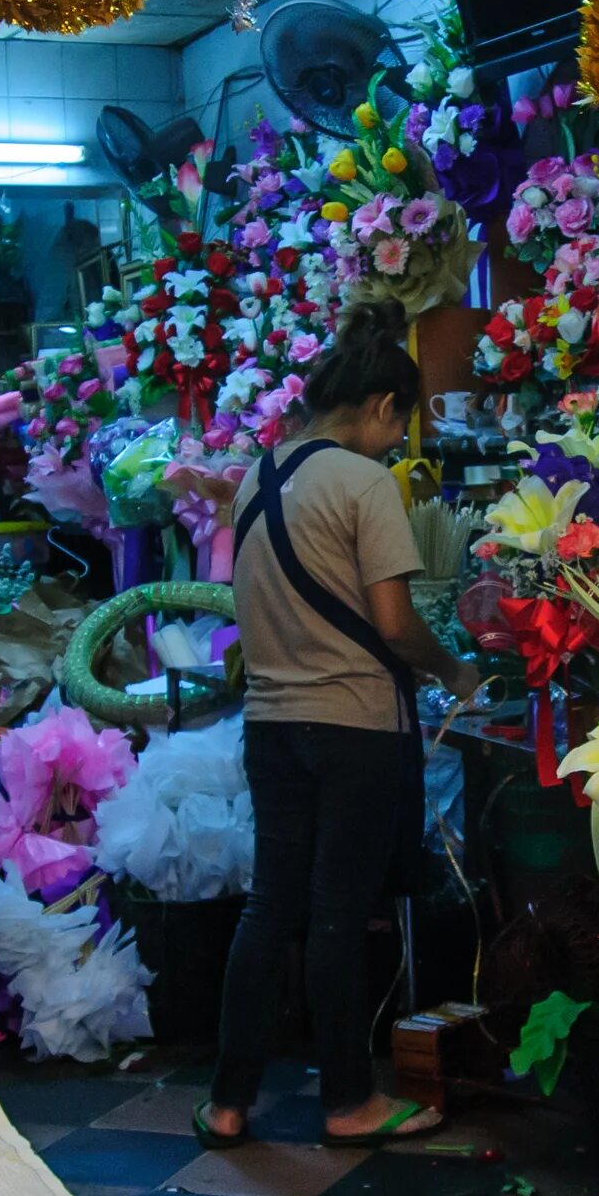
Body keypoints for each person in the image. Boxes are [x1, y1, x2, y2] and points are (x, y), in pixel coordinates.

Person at [198, 301, 479, 1148]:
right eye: (402, 427)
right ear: (385, 407)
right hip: (354, 726)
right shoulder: (363, 483)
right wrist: (456, 670)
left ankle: (227, 1100)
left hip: (272, 726)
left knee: (269, 908)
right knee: (336, 914)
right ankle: (350, 1101)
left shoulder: (258, 475)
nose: (397, 444)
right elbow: (394, 623)